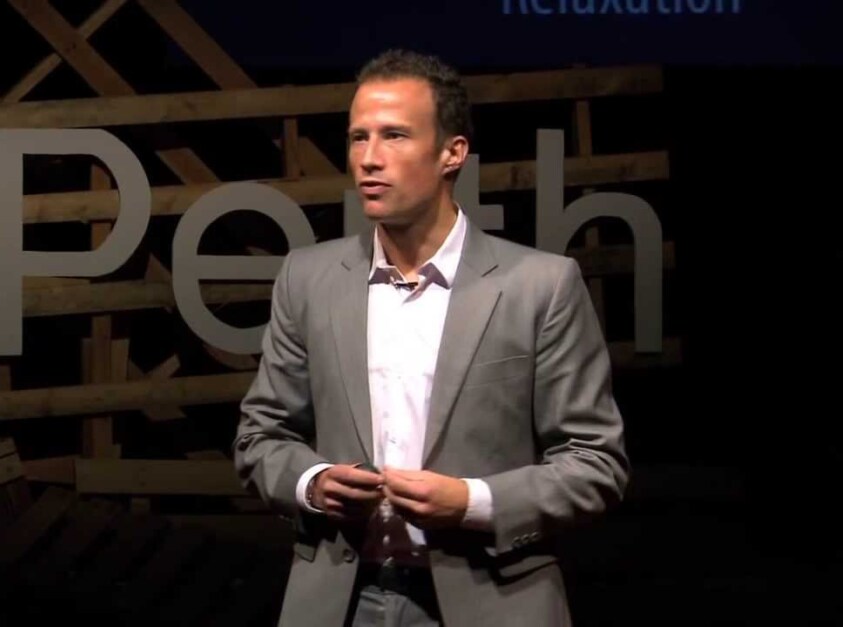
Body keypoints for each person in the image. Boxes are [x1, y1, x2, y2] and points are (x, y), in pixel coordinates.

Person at [232, 48, 629, 627]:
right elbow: (260, 435)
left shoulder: (539, 285)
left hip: (488, 599)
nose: (369, 158)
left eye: (394, 136)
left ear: (452, 153)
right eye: (358, 137)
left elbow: (595, 463)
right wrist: (313, 484)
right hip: (342, 599)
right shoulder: (308, 279)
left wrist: (472, 502)